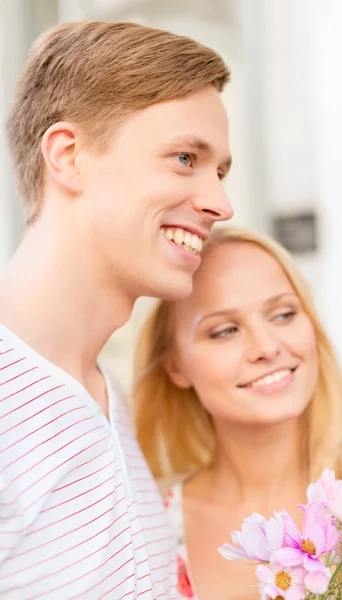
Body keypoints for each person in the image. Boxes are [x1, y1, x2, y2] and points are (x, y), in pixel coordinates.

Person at [0, 21, 233, 599]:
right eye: (184, 158)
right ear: (69, 156)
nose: (221, 204)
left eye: (221, 171)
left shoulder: (110, 400)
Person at [133, 226, 342, 600]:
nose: (267, 347)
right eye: (225, 330)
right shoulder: (139, 528)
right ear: (175, 366)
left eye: (284, 314)